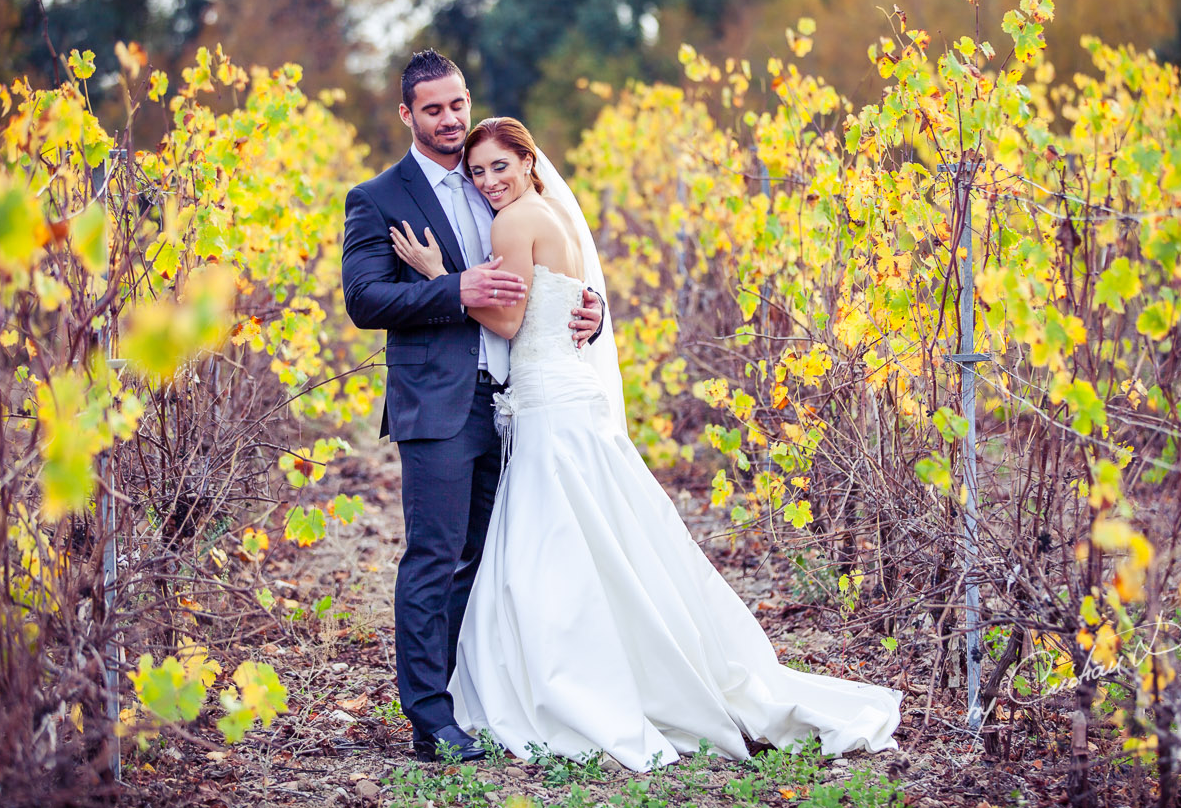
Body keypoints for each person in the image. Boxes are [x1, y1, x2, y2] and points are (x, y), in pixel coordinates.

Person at [392, 116, 902, 771]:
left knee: (557, 553)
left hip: (550, 402)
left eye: (500, 166)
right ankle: (643, 670)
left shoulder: (514, 222)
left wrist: (440, 275)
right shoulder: (556, 215)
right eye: (480, 172)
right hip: (568, 396)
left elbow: (511, 318)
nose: (490, 181)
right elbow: (566, 298)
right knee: (605, 543)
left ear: (525, 160)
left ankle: (579, 683)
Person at [341, 51, 605, 763]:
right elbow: (365, 299)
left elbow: (551, 270)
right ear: (407, 115)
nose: (450, 119)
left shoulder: (499, 179)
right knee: (434, 557)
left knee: (489, 563)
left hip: (518, 401)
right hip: (437, 405)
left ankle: (475, 696)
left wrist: (591, 310)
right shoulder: (379, 198)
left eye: (457, 103)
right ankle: (431, 721)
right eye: (433, 109)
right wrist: (451, 289)